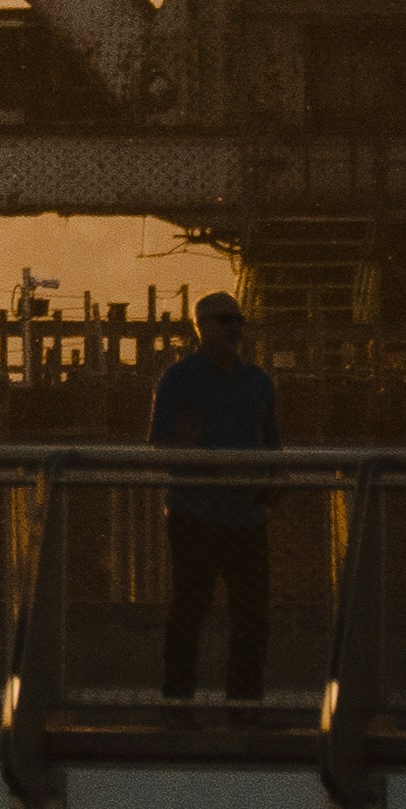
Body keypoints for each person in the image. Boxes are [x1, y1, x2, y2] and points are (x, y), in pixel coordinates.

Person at [151, 287, 282, 703]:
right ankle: (178, 702)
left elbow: (272, 444)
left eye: (238, 321)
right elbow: (162, 442)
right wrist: (217, 466)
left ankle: (245, 704)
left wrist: (271, 482)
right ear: (201, 328)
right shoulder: (178, 379)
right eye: (225, 321)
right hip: (195, 513)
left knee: (251, 615)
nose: (235, 328)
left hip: (246, 516)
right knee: (190, 609)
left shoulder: (259, 381)